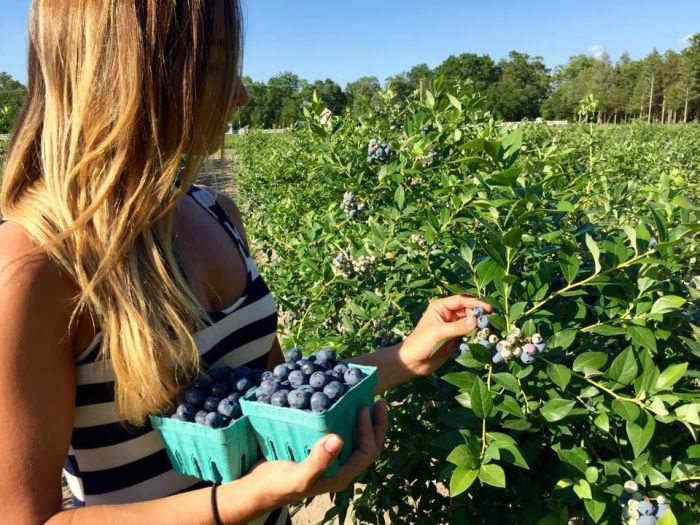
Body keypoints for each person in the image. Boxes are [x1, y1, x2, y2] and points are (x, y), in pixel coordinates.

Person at [0, 1, 490, 524]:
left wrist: (405, 358)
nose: (241, 95)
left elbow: (276, 398)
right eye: (213, 67)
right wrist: (242, 501)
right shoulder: (35, 267)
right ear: (126, 77)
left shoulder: (215, 212)